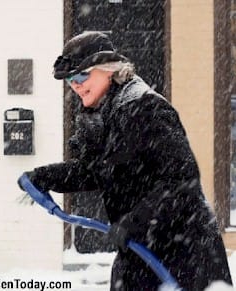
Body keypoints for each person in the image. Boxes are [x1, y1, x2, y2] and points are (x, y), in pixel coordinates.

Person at [18, 31, 233, 290]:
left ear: (108, 69)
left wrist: (136, 221)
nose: (75, 84)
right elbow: (98, 171)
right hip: (139, 251)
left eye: (82, 75)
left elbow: (181, 181)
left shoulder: (147, 109)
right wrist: (45, 177)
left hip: (184, 253)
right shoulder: (99, 115)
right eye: (70, 80)